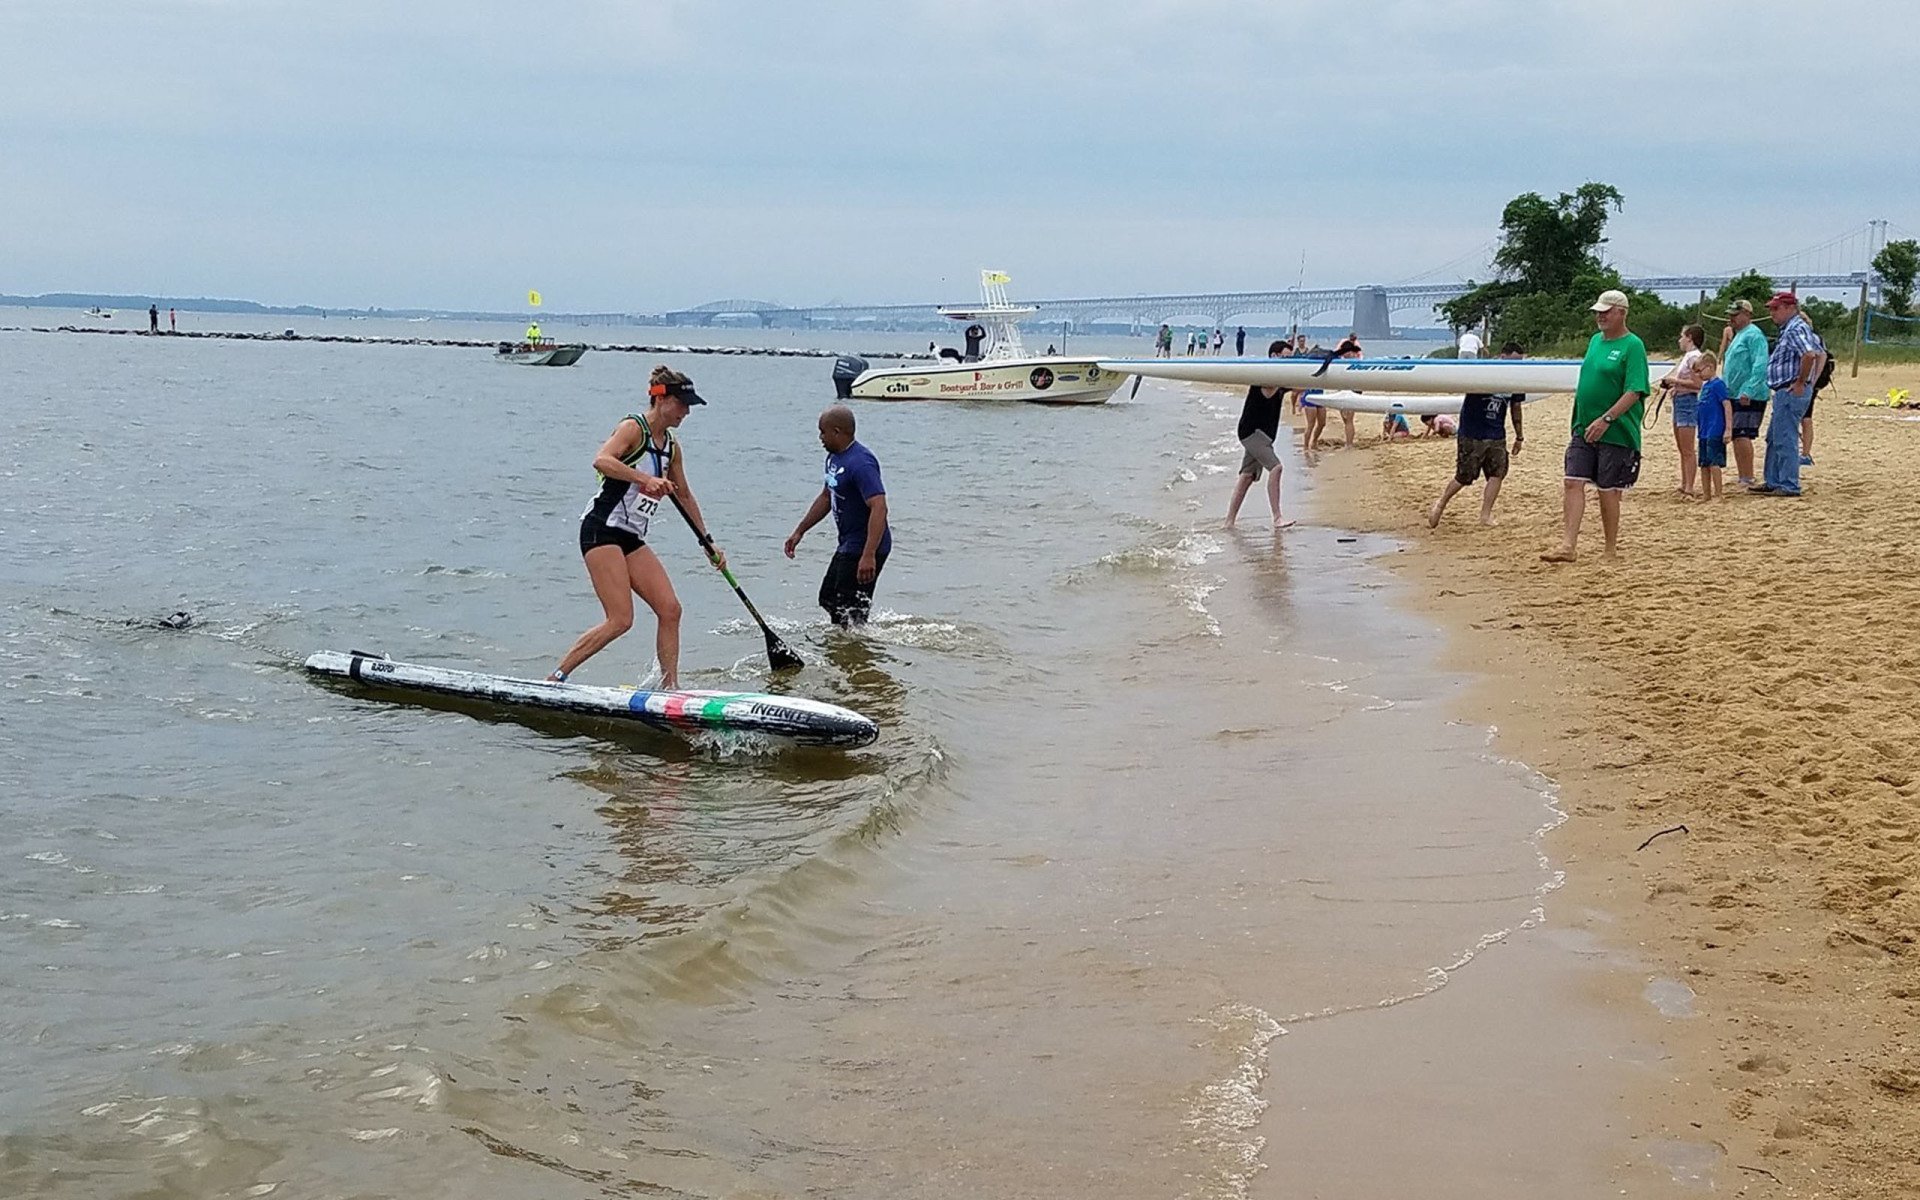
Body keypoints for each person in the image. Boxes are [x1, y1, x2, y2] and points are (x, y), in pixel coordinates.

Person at [549, 367, 726, 688]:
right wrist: (645, 479)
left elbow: (683, 494)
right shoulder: (633, 428)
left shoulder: (671, 446)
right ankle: (556, 677)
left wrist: (708, 542)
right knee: (620, 620)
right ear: (662, 400)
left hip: (631, 537)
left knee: (670, 609)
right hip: (600, 529)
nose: (687, 412)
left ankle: (670, 688)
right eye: (682, 404)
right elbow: (602, 460)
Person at [1542, 289, 1649, 563]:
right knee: (1572, 481)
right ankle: (1568, 545)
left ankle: (1610, 548)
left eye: (1606, 311)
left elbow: (1635, 390)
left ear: (1621, 313)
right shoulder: (1594, 342)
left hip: (1617, 430)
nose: (1600, 316)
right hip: (1583, 426)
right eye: (1598, 312)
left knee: (1608, 489)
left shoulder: (1632, 345)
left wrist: (1607, 418)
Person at [785, 405, 891, 626]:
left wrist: (869, 554)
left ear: (837, 431)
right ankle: (853, 647)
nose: (820, 438)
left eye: (823, 432)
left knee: (846, 606)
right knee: (829, 598)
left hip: (865, 544)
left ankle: (855, 651)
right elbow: (826, 497)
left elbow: (879, 507)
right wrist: (799, 531)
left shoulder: (861, 462)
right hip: (849, 542)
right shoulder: (834, 459)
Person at [1429, 343, 1526, 528]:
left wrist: (1519, 436)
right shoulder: (1483, 371)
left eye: (1519, 362)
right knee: (1464, 477)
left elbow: (1516, 407)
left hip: (1497, 433)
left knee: (1497, 474)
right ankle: (1440, 503)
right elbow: (1459, 383)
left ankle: (1485, 515)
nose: (1515, 365)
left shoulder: (1516, 379)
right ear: (1502, 357)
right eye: (1513, 361)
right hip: (1472, 433)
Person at [1751, 292, 1822, 497]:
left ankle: (1789, 484)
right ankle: (1773, 480)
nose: (1772, 313)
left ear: (1790, 308)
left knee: (1785, 437)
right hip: (1783, 391)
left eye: (1776, 308)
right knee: (1774, 437)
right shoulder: (1791, 329)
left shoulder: (1795, 328)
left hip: (1790, 390)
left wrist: (1801, 382)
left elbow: (1809, 354)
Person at [1225, 340, 1295, 529]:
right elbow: (1271, 387)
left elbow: (1298, 386)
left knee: (1247, 477)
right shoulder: (1264, 377)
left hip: (1263, 437)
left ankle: (1228, 522)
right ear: (1274, 356)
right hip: (1251, 432)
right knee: (1276, 468)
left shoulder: (1281, 380)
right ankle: (1277, 518)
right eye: (1286, 358)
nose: (1289, 363)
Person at [1654, 324, 1708, 497]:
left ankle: (1689, 486)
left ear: (1689, 337)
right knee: (1682, 447)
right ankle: (1685, 484)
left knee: (1687, 448)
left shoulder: (1694, 358)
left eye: (1682, 336)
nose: (1680, 340)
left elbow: (1698, 385)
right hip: (1681, 400)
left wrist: (1674, 382)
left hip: (1688, 403)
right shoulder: (1689, 357)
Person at [1720, 299, 1769, 486]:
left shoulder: (1754, 335)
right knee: (1736, 434)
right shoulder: (1739, 334)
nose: (1731, 318)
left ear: (1747, 315)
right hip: (1734, 393)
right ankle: (1742, 475)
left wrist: (1749, 389)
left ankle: (1748, 476)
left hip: (1749, 394)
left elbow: (1760, 364)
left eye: (1736, 314)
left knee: (1743, 434)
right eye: (1730, 314)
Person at [1695, 350, 1730, 500]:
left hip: (1715, 429)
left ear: (1710, 367)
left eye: (1700, 370)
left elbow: (1727, 405)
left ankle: (1719, 494)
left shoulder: (1718, 385)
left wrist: (1728, 428)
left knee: (1714, 462)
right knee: (1704, 463)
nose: (1699, 375)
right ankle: (1706, 494)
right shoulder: (1706, 386)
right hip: (1703, 430)